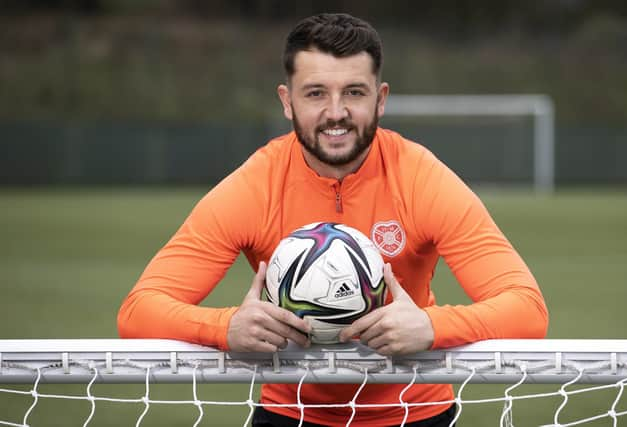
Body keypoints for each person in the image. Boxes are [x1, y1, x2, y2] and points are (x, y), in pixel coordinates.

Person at [118, 13, 548, 427]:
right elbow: (138, 312)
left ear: (380, 99)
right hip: (291, 412)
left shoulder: (421, 178)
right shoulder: (254, 186)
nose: (336, 112)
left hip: (415, 412)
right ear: (287, 101)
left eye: (354, 93)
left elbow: (527, 310)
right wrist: (225, 327)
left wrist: (432, 326)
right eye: (316, 93)